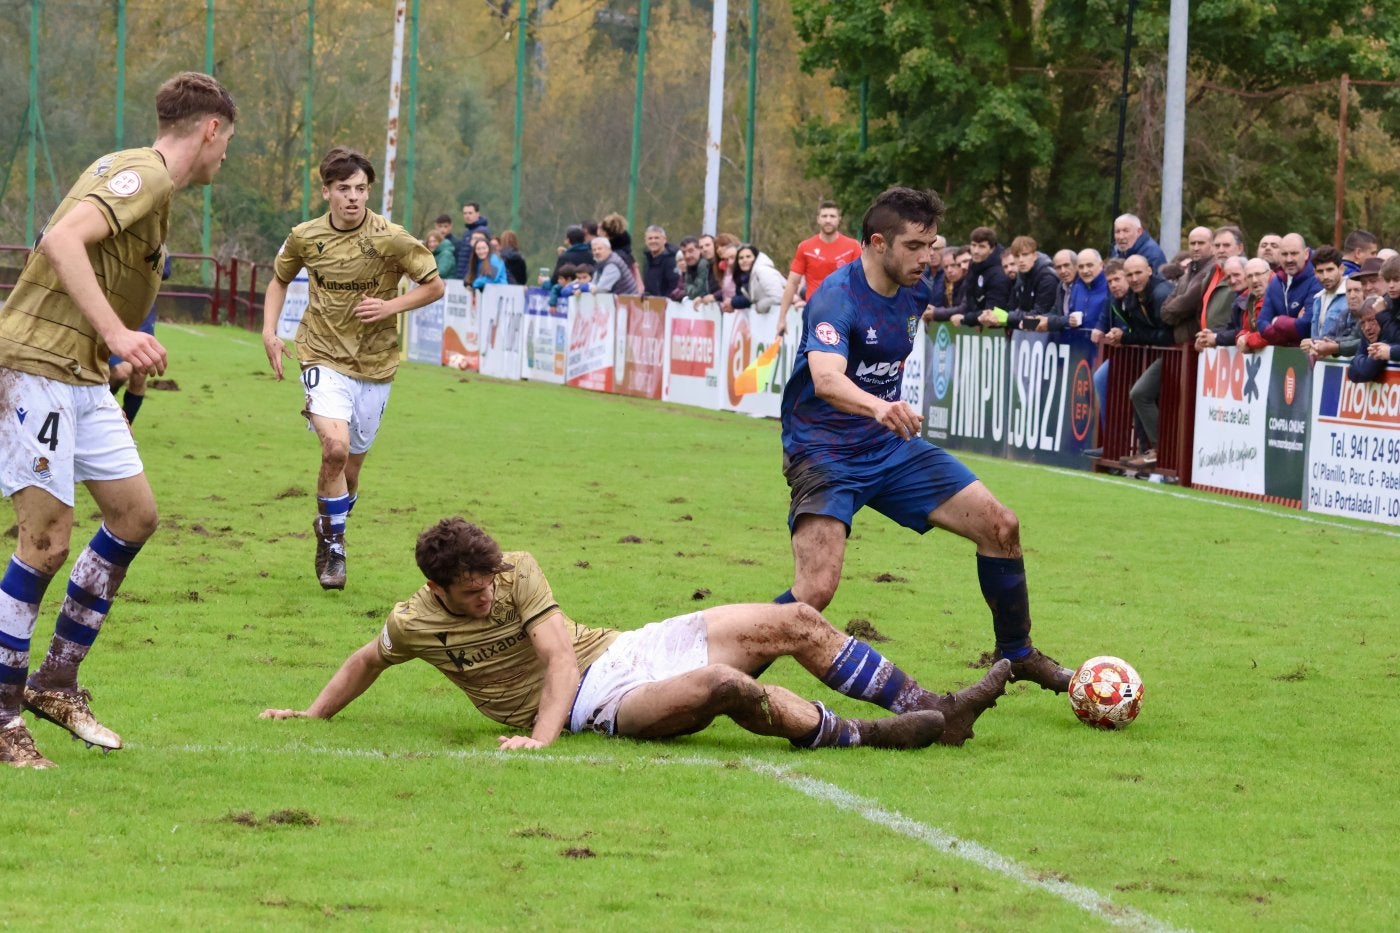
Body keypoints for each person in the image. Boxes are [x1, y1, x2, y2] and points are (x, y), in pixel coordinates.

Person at [259, 519, 1012, 750]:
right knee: (726, 688)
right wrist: (312, 713)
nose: (489, 596)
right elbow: (368, 659)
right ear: (437, 591)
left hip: (620, 651)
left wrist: (537, 737)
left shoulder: (518, 569)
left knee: (796, 620)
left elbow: (559, 655)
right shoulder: (413, 621)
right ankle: (865, 736)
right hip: (598, 706)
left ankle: (937, 713)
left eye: (491, 582)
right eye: (473, 591)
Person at [0, 72, 237, 769]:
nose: (223, 158)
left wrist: (106, 352)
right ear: (210, 130)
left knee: (134, 514)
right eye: (226, 144)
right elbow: (60, 240)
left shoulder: (142, 180)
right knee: (44, 541)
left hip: (77, 373)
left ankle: (55, 681)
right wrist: (119, 334)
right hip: (37, 364)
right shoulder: (146, 174)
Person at [774, 187, 1073, 695]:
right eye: (915, 245)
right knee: (815, 590)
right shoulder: (835, 298)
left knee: (1001, 526)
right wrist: (879, 405)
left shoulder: (918, 288)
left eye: (932, 244)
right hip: (825, 451)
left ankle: (1017, 654)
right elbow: (825, 379)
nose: (928, 257)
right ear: (876, 243)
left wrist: (883, 414)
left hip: (890, 447)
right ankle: (721, 661)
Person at [260, 147, 445, 592]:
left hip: (376, 364)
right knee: (335, 451)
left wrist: (391, 305)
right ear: (326, 191)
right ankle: (335, 550)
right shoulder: (305, 236)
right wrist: (269, 331)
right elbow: (279, 279)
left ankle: (328, 525)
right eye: (343, 189)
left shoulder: (391, 237)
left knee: (352, 471)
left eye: (360, 189)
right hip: (321, 354)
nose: (353, 197)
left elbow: (434, 285)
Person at [777, 200, 862, 337]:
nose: (828, 220)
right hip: (815, 311)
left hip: (844, 311)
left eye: (832, 216)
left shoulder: (852, 246)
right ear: (818, 219)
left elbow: (862, 282)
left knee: (842, 356)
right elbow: (792, 283)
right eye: (824, 216)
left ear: (839, 219)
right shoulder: (805, 247)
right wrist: (782, 318)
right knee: (812, 355)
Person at [108, 253, 173, 425]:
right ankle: (98, 412)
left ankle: (125, 428)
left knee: (140, 373)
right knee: (120, 373)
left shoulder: (156, 239)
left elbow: (165, 271)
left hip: (144, 316)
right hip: (114, 313)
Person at [728, 244, 787, 314]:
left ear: (755, 258)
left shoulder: (763, 271)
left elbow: (779, 297)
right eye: (741, 258)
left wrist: (759, 306)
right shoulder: (744, 280)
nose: (744, 260)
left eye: (748, 257)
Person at [640, 225, 680, 298]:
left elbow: (674, 287)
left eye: (656, 238)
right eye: (650, 238)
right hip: (652, 306)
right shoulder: (647, 260)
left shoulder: (671, 260)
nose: (653, 241)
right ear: (645, 241)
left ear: (664, 240)